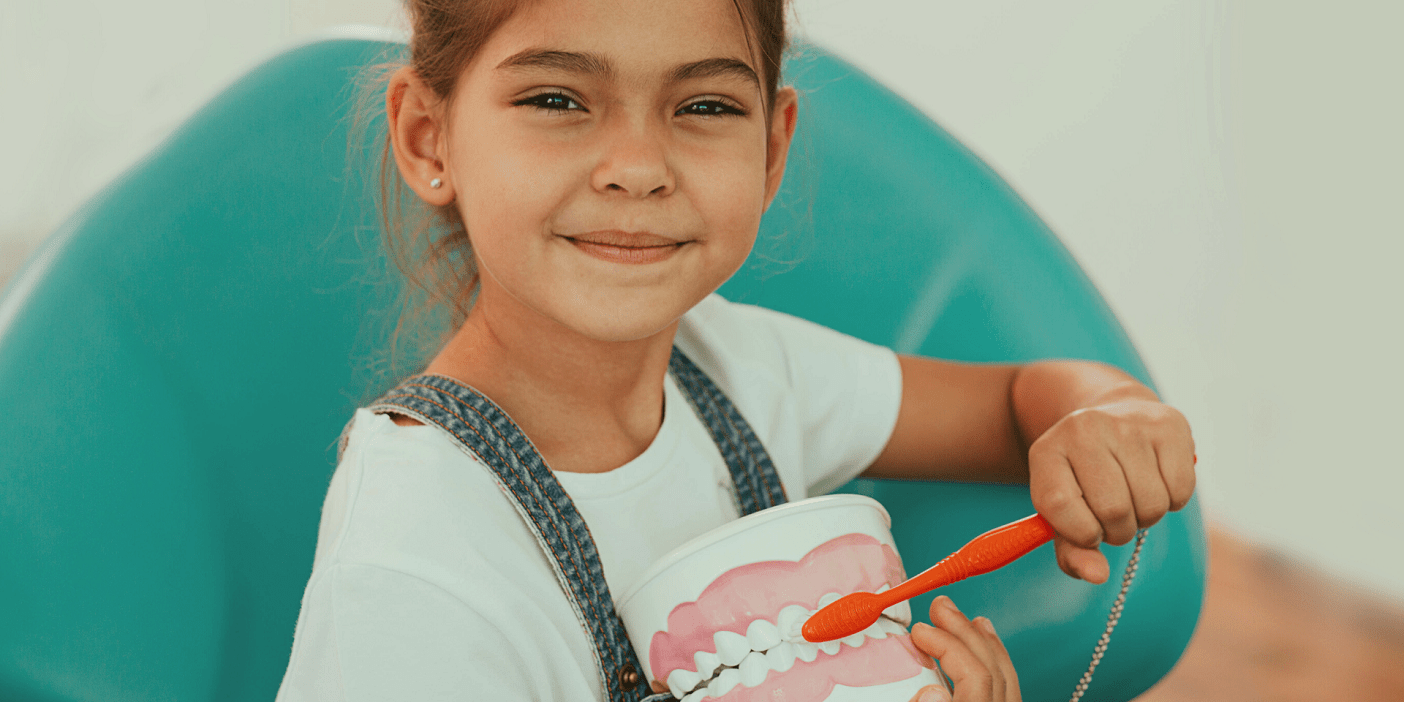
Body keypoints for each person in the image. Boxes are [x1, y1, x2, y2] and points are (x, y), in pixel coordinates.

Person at [276, 0, 1196, 700]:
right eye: (556, 99)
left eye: (705, 105)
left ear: (771, 149)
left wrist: (1108, 416)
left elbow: (1019, 400)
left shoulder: (740, 369)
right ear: (428, 138)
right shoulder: (411, 573)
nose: (638, 167)